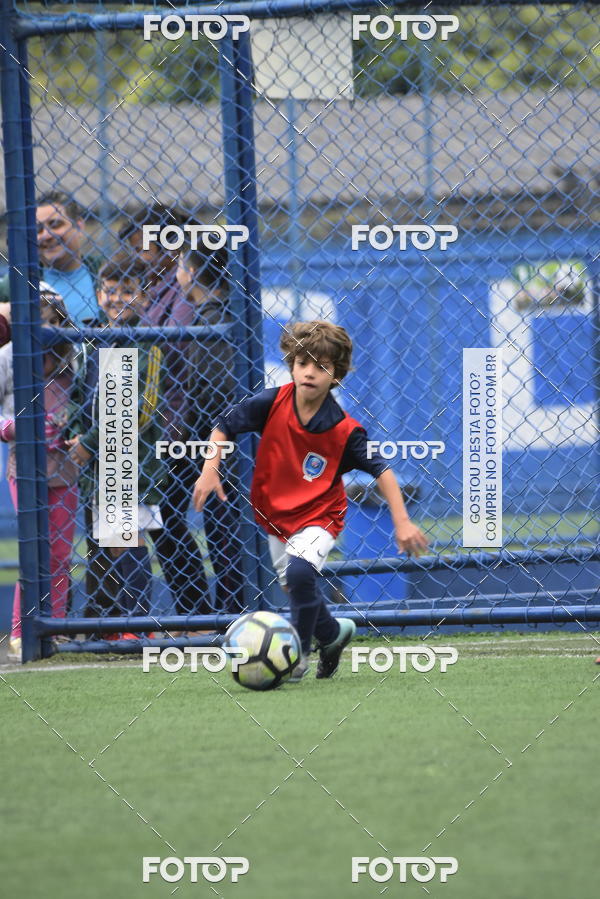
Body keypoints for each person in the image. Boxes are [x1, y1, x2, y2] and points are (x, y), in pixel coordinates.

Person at [192, 320, 429, 680]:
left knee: (301, 574)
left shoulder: (344, 430)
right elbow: (224, 425)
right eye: (303, 363)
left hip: (320, 515)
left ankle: (296, 657)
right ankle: (332, 635)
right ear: (291, 365)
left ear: (337, 375)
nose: (309, 372)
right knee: (296, 586)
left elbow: (383, 472)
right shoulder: (271, 402)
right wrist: (211, 467)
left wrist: (402, 522)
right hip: (275, 515)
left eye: (321, 366)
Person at [66, 254, 165, 637]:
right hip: (95, 461)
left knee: (128, 536)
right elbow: (79, 393)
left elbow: (141, 410)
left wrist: (91, 442)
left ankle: (139, 621)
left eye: (128, 291)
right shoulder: (89, 338)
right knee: (107, 540)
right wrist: (77, 432)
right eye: (110, 291)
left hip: (132, 459)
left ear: (144, 297)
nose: (117, 298)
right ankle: (114, 620)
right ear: (97, 293)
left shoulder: (148, 342)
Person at [0, 284, 79, 661]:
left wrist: (75, 427)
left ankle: (57, 624)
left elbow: (83, 404)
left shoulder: (71, 358)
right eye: (36, 321)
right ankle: (21, 627)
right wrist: (13, 427)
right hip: (25, 468)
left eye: (52, 322)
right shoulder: (8, 358)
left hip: (65, 469)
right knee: (36, 548)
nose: (44, 330)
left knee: (61, 552)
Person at [171, 246, 244, 616]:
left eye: (182, 266)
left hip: (218, 449)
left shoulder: (214, 320)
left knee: (225, 533)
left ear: (195, 271)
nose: (177, 274)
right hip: (216, 445)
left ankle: (231, 614)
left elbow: (214, 393)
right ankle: (223, 611)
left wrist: (191, 440)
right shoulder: (218, 315)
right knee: (220, 531)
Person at [0, 191, 100, 326]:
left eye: (55, 224)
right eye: (38, 229)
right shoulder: (16, 283)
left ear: (79, 227)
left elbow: (128, 335)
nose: (46, 235)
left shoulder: (106, 272)